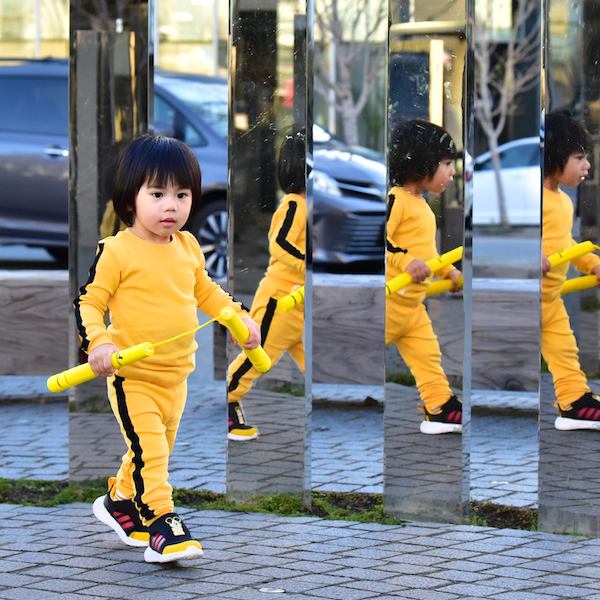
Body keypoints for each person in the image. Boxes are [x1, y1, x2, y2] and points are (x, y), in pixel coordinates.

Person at [75, 135, 260, 562]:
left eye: (181, 195)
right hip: (133, 377)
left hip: (177, 378)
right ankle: (164, 523)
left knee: (146, 454)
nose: (170, 206)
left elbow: (209, 293)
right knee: (153, 454)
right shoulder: (117, 251)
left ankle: (119, 502)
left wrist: (240, 319)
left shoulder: (189, 247)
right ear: (129, 200)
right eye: (157, 194)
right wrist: (98, 343)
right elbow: (90, 302)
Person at [227, 130, 306, 440]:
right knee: (259, 358)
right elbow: (280, 243)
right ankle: (229, 401)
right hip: (280, 300)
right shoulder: (293, 205)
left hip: (301, 303)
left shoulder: (308, 206)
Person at [386, 119, 462, 434]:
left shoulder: (423, 206)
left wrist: (447, 270)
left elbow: (427, 252)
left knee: (428, 357)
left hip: (413, 309)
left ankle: (440, 408)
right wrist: (406, 262)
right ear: (421, 163)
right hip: (388, 305)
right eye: (446, 165)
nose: (452, 173)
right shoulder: (396, 200)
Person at [542, 112, 600, 430]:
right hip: (524, 300)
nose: (586, 166)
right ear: (553, 156)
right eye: (579, 158)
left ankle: (574, 402)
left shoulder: (563, 202)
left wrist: (593, 263)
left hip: (549, 301)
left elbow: (566, 242)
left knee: (565, 350)